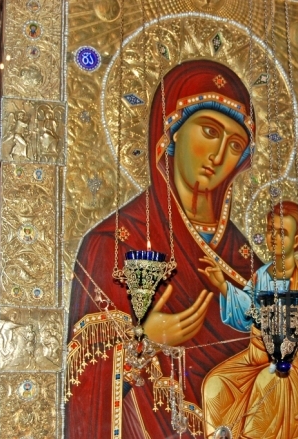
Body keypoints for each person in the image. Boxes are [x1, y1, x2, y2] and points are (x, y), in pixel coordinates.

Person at [66, 60, 264, 437]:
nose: (219, 157)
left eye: (234, 144)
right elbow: (83, 385)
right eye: (209, 131)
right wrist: (142, 341)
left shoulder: (246, 261)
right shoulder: (111, 244)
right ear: (169, 133)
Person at [199, 201, 298, 438]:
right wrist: (223, 287)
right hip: (256, 356)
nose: (274, 237)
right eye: (270, 230)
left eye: (282, 233)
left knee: (265, 382)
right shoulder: (261, 276)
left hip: (292, 364)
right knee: (215, 384)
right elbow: (248, 313)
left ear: (297, 241)